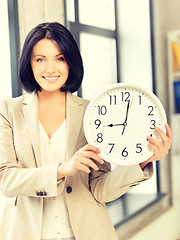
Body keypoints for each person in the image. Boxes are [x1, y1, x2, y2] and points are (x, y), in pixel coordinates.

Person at [0, 22, 172, 240]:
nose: (50, 68)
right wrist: (63, 169)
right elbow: (6, 180)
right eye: (40, 59)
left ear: (70, 62)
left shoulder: (91, 112)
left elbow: (100, 188)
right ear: (29, 64)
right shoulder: (8, 111)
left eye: (60, 58)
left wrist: (142, 161)